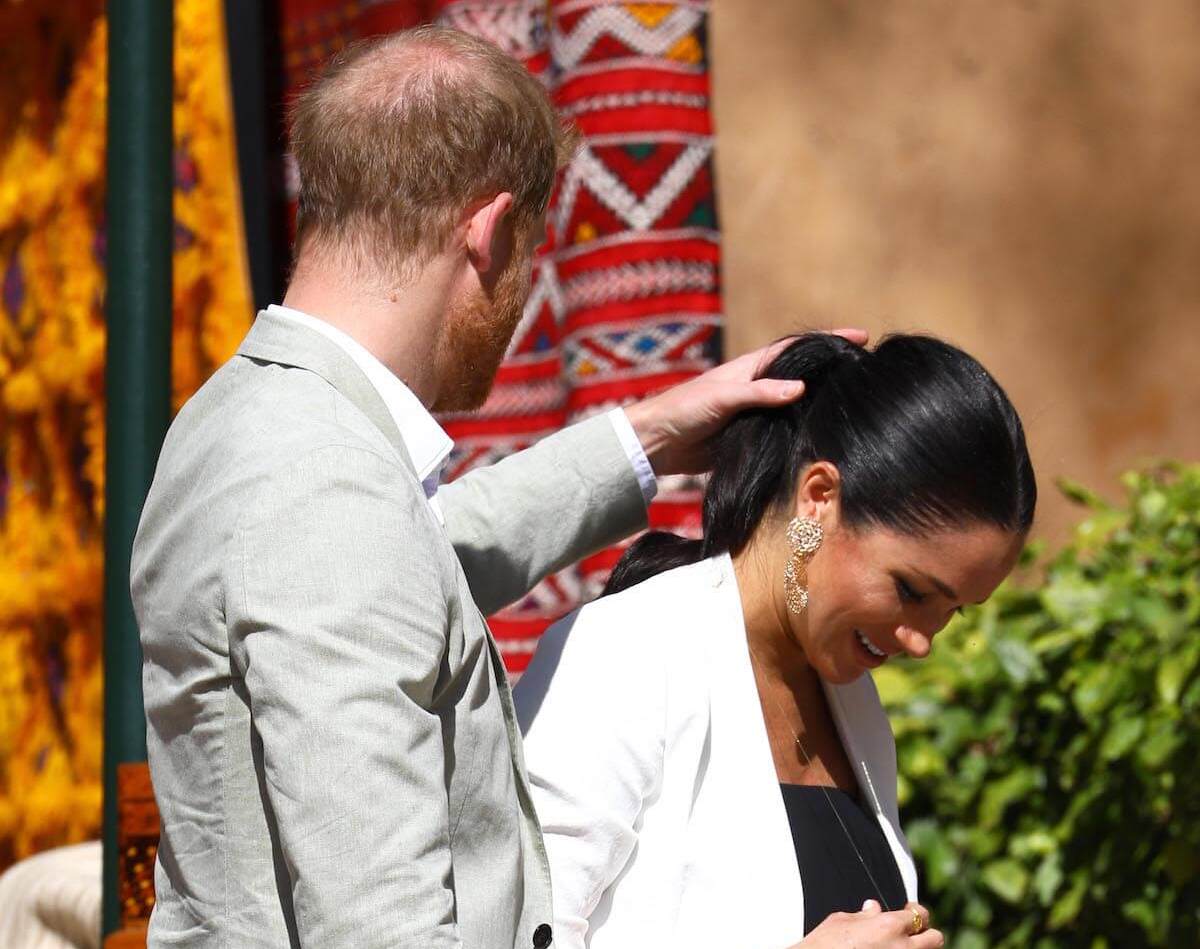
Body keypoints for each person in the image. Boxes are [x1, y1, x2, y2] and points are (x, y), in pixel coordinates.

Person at [130, 26, 834, 949]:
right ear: (490, 231)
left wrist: (650, 434)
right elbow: (384, 932)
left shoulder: (240, 415)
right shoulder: (322, 486)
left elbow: (408, 572)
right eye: (530, 254)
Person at [514, 332, 1037, 949]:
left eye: (955, 612)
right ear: (819, 499)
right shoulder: (625, 654)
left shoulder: (854, 708)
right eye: (913, 591)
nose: (922, 640)